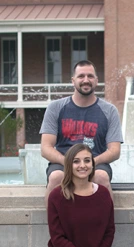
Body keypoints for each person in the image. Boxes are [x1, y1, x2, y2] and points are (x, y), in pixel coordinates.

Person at [40, 60, 123, 206]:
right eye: (81, 76)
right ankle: (52, 226)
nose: (86, 80)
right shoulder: (55, 108)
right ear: (73, 81)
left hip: (96, 162)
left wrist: (89, 163)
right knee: (56, 177)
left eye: (90, 76)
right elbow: (46, 148)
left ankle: (107, 227)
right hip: (63, 162)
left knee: (101, 177)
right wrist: (69, 163)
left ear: (96, 81)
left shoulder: (109, 111)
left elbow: (115, 151)